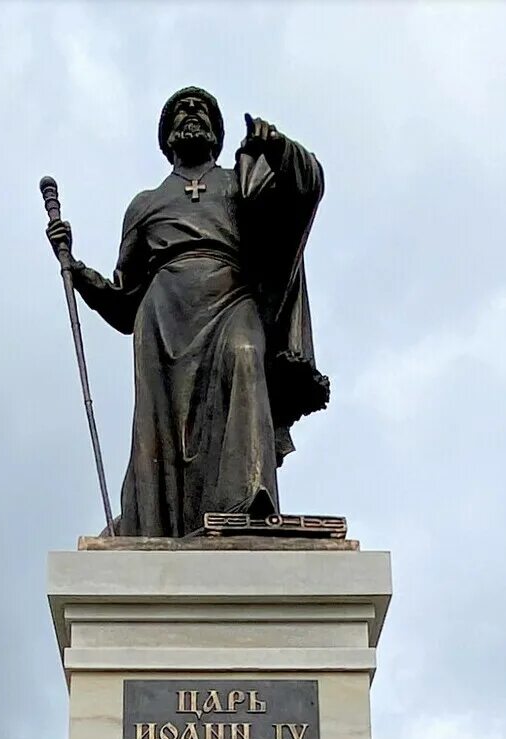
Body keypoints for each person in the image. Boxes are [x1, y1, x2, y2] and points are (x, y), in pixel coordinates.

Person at [48, 87, 329, 538]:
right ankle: (157, 520)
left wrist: (277, 145)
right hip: (162, 315)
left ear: (218, 134)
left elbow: (308, 186)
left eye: (200, 109)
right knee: (160, 423)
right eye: (181, 110)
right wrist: (77, 271)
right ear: (166, 138)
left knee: (243, 356)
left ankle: (246, 505)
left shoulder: (242, 181)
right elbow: (124, 301)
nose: (191, 113)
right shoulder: (144, 205)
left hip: (230, 296)